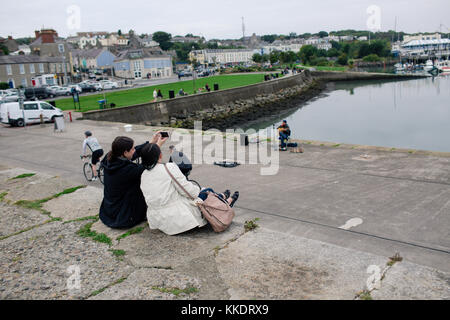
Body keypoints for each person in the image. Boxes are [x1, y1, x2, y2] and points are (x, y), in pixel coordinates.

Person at [140, 144, 239, 235]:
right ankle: (225, 201)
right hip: (177, 220)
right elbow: (188, 192)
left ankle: (223, 197)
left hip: (158, 220)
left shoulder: (143, 175)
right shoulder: (168, 168)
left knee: (202, 193)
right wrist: (200, 191)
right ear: (160, 155)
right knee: (207, 191)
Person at [99, 132, 167, 229]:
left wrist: (152, 142)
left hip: (110, 209)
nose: (134, 150)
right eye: (132, 149)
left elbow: (136, 152)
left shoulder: (109, 157)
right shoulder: (126, 170)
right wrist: (157, 147)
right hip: (123, 215)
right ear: (125, 152)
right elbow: (148, 164)